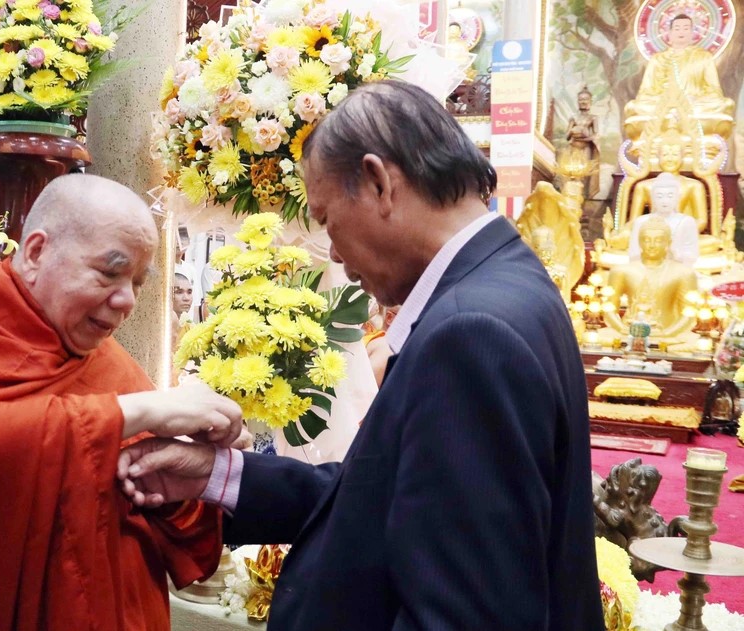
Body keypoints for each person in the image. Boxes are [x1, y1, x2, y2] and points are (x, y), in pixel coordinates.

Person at [118, 80, 605, 630]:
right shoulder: (506, 281)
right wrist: (218, 475)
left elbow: (464, 613)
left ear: (378, 183)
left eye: (327, 221)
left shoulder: (469, 333)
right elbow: (388, 495)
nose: (336, 256)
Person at [0, 174, 243, 631]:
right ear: (35, 252)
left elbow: (177, 524)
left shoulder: (109, 363)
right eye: (110, 273)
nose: (126, 300)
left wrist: (196, 464)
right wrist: (139, 412)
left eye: (137, 282)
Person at [624, 13, 734, 148]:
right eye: (677, 28)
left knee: (724, 104)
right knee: (634, 107)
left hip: (695, 107)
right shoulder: (657, 59)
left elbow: (714, 90)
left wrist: (692, 99)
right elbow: (645, 92)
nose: (681, 32)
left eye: (686, 28)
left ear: (693, 33)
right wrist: (664, 101)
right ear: (669, 33)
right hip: (662, 107)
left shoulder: (704, 57)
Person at [604, 216, 698, 344]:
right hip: (628, 332)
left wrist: (666, 335)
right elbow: (609, 308)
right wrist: (623, 330)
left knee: (693, 341)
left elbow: (689, 313)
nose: (652, 245)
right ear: (639, 242)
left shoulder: (684, 273)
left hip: (668, 334)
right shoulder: (621, 271)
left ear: (668, 243)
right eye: (646, 240)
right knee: (600, 336)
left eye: (658, 240)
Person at [627, 172, 700, 266]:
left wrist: (676, 255)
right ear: (652, 198)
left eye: (670, 196)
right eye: (659, 196)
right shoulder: (641, 222)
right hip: (647, 269)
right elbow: (634, 254)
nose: (664, 201)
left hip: (676, 269)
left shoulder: (687, 222)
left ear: (678, 198)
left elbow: (692, 254)